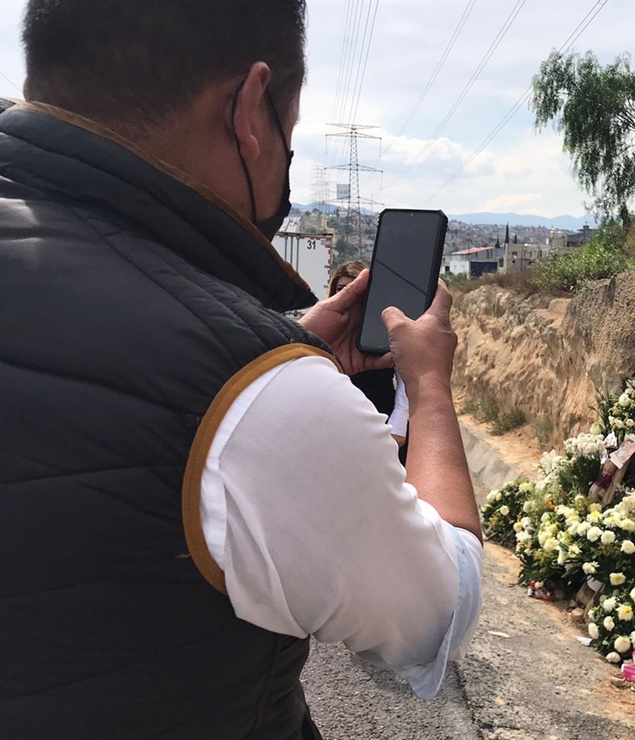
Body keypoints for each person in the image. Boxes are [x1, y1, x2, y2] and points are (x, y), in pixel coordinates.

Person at [0, 2, 482, 739]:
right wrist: (430, 389)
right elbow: (437, 613)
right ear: (250, 111)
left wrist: (292, 347)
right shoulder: (255, 391)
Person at [330, 260, 409, 452]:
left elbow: (405, 377)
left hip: (381, 415)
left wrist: (399, 423)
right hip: (337, 420)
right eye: (341, 288)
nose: (347, 294)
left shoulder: (384, 327)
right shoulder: (327, 327)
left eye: (355, 288)